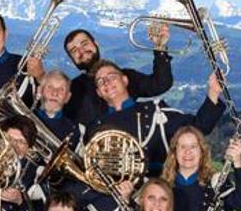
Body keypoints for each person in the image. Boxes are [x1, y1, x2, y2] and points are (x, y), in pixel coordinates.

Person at [85, 60, 224, 176]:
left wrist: (213, 92)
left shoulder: (154, 111)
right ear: (98, 92)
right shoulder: (95, 128)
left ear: (125, 80)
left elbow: (200, 127)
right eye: (100, 81)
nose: (106, 82)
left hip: (161, 191)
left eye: (111, 76)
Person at [62, 27, 173, 125]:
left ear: (96, 43)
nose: (81, 51)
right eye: (74, 50)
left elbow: (160, 84)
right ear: (72, 59)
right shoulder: (71, 90)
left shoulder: (125, 76)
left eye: (84, 44)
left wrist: (160, 47)